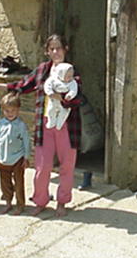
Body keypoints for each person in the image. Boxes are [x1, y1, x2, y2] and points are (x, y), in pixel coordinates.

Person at [7, 34, 82, 217]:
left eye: (59, 48)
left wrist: (62, 99)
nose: (56, 52)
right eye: (52, 49)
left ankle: (62, 201)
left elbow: (77, 98)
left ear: (66, 49)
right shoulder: (42, 70)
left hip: (66, 125)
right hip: (45, 124)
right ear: (47, 51)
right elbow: (25, 85)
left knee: (66, 165)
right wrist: (8, 88)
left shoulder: (72, 72)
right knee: (42, 165)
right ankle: (40, 200)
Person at [0, 92, 30, 215]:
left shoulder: (21, 125)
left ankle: (20, 205)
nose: (10, 113)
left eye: (13, 110)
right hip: (3, 158)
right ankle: (8, 202)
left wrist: (26, 157)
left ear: (18, 110)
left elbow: (26, 141)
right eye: (7, 110)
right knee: (5, 183)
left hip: (17, 158)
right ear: (3, 111)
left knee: (19, 183)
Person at [43, 62, 78, 130]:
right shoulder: (53, 79)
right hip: (53, 99)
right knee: (50, 111)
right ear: (61, 74)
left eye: (71, 76)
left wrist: (70, 95)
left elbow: (74, 89)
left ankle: (59, 124)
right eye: (68, 76)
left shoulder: (72, 82)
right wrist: (50, 93)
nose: (70, 78)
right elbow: (47, 86)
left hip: (64, 101)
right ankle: (51, 121)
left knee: (64, 113)